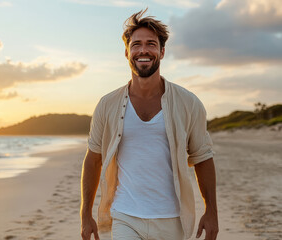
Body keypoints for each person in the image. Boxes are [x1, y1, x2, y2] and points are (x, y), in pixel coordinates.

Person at [80, 9, 218, 240]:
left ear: (162, 52)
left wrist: (211, 211)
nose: (143, 50)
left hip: (172, 220)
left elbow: (203, 157)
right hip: (125, 216)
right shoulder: (107, 105)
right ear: (127, 52)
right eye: (136, 44)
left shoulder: (188, 103)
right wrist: (85, 214)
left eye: (151, 44)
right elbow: (93, 159)